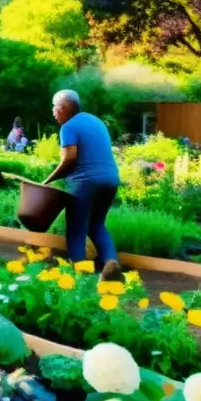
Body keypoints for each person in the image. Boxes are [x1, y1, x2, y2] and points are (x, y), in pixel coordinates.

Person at [42, 90, 121, 280]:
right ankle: (111, 263)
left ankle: (79, 274)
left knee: (77, 227)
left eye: (54, 106)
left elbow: (69, 158)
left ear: (63, 107)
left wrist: (46, 182)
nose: (53, 111)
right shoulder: (96, 121)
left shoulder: (68, 127)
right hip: (111, 179)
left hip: (86, 181)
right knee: (97, 224)